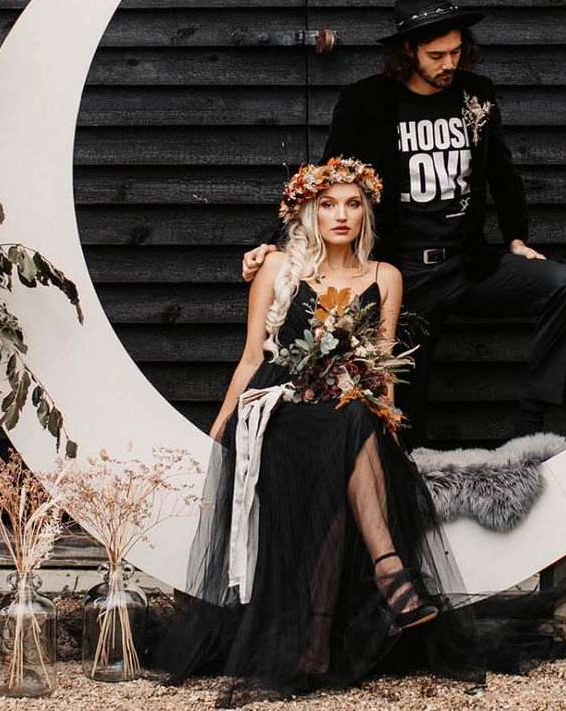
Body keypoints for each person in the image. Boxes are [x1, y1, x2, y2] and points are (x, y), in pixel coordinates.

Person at [152, 157, 484, 705]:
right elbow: (251, 355)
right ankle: (392, 577)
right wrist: (220, 428)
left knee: (354, 424)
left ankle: (313, 648)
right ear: (307, 210)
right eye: (328, 204)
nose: (341, 214)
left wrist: (390, 428)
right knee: (348, 427)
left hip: (345, 415)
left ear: (366, 213)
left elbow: (380, 368)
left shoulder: (385, 277)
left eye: (353, 204)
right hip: (277, 411)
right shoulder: (277, 266)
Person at [242, 0, 566, 445]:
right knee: (402, 417)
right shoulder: (366, 101)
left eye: (457, 51)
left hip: (468, 265)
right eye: (437, 54)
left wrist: (517, 238)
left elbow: (502, 171)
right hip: (403, 277)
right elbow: (328, 180)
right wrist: (274, 243)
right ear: (407, 52)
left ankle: (531, 426)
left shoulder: (476, 94)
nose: (449, 63)